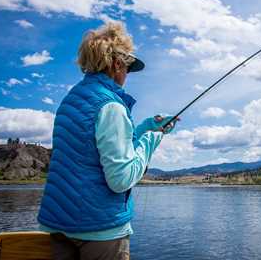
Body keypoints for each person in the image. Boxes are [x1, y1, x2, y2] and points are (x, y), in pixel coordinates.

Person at [37, 22, 178, 260]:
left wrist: (145, 127)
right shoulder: (111, 105)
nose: (127, 75)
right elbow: (121, 179)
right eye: (128, 68)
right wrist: (152, 139)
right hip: (99, 227)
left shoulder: (71, 101)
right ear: (117, 64)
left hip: (59, 224)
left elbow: (91, 148)